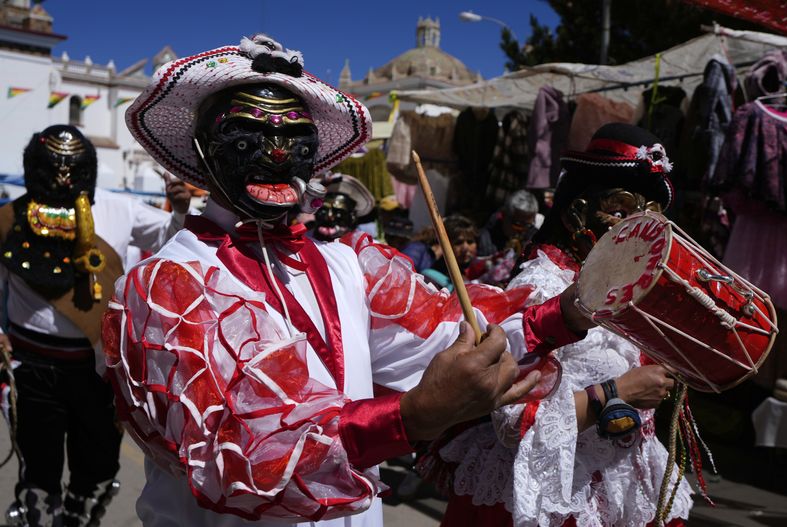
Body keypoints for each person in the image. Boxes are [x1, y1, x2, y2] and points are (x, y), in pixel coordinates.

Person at [103, 34, 593, 527]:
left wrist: (570, 309)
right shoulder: (167, 286)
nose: (277, 153)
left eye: (296, 137)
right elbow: (248, 455)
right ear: (202, 150)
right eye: (249, 133)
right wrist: (412, 416)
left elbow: (452, 336)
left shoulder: (347, 264)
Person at [434, 124, 693, 526]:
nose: (636, 230)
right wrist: (619, 393)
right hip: (553, 499)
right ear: (576, 214)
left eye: (648, 217)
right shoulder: (542, 287)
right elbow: (512, 420)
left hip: (622, 491)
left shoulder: (634, 292)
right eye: (622, 212)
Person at [0, 125, 191, 527]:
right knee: (38, 474)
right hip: (31, 369)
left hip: (100, 370)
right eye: (54, 166)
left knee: (97, 471)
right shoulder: (10, 217)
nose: (64, 176)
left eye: (74, 167)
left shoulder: (119, 207)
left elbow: (170, 242)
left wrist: (179, 210)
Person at [311, 173, 375, 242]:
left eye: (338, 211)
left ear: (352, 217)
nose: (329, 216)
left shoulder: (364, 249)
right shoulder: (301, 243)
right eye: (323, 210)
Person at [477, 190, 541, 258]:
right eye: (518, 224)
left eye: (528, 225)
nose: (522, 230)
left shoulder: (534, 237)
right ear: (504, 215)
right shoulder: (483, 240)